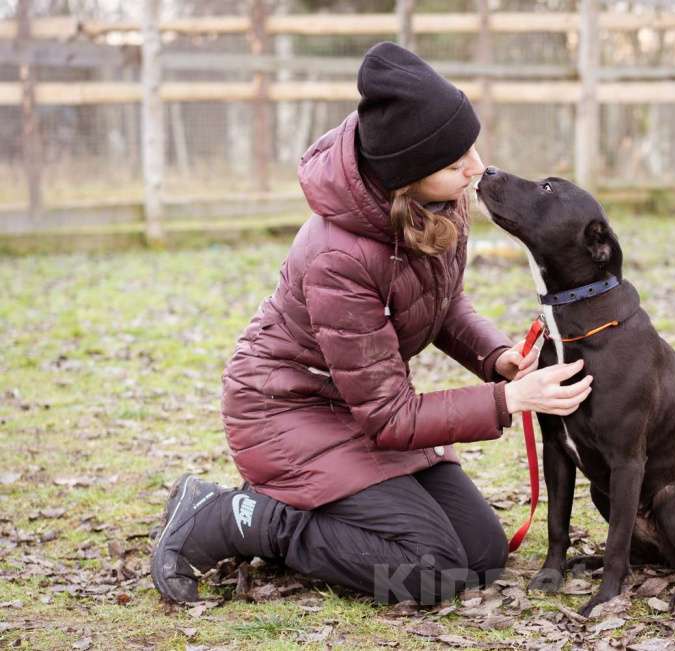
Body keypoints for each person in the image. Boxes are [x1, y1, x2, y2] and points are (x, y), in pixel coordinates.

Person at [150, 42, 593, 606]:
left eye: (471, 147)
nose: (476, 168)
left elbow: (442, 302)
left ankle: (314, 518)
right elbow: (389, 417)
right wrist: (509, 400)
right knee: (432, 575)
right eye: (454, 162)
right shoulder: (339, 256)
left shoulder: (438, 204)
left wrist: (496, 357)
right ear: (406, 177)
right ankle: (239, 517)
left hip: (360, 402)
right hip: (288, 412)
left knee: (482, 555)